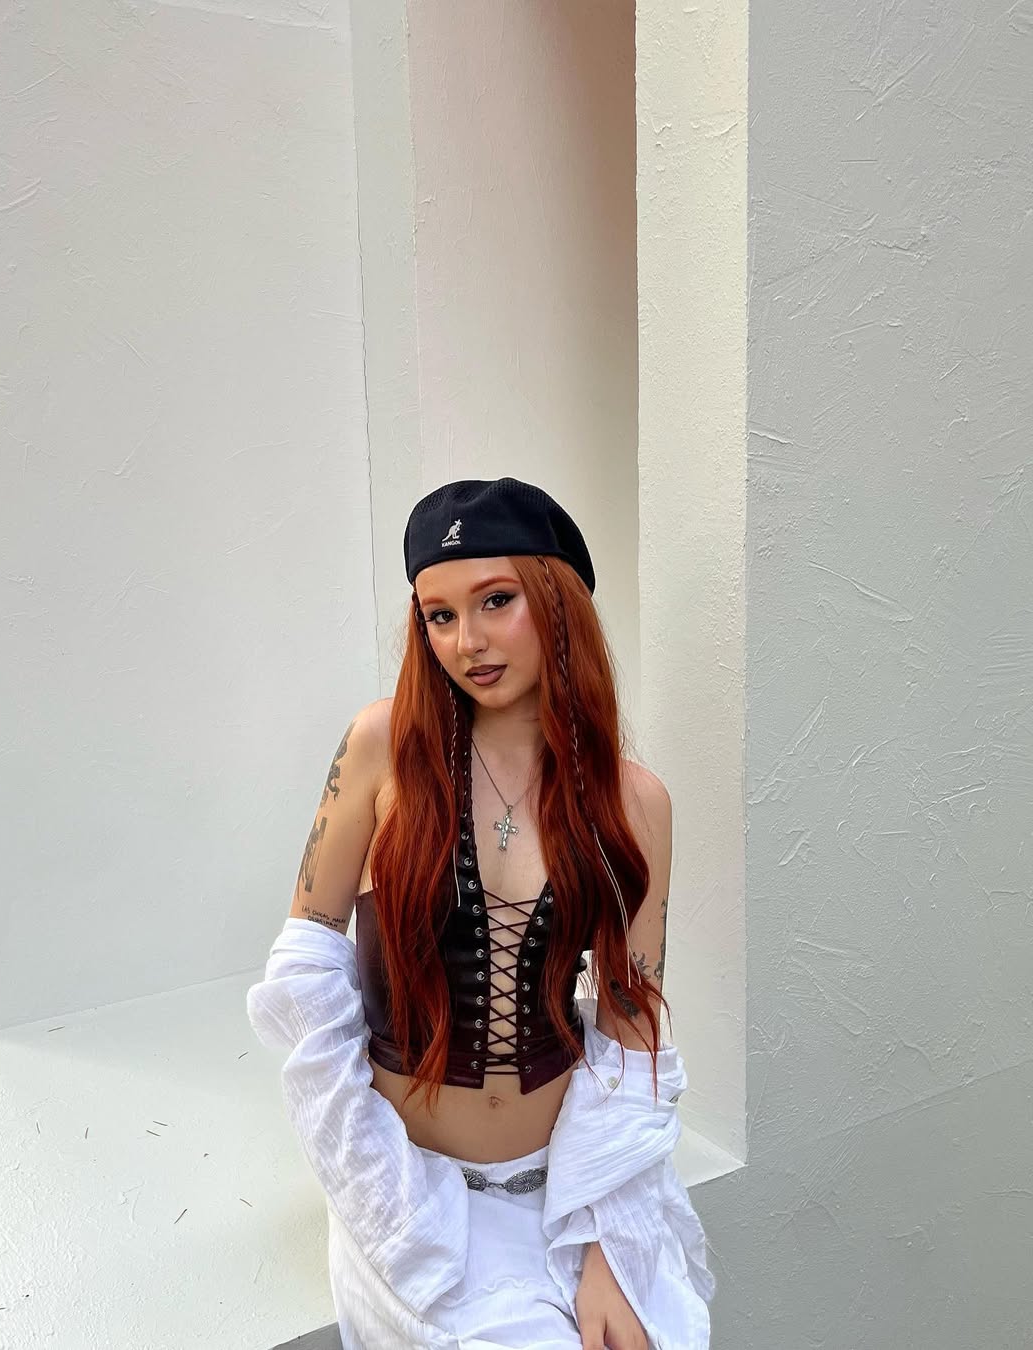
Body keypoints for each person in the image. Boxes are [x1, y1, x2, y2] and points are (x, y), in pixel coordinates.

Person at [247, 477, 716, 1349]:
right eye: (440, 615)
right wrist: (373, 1185)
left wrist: (609, 1239)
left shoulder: (634, 802)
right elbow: (304, 970)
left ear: (558, 601)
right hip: (407, 1190)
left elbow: (632, 1028)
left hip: (568, 1187)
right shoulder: (383, 747)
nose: (467, 641)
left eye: (496, 601)